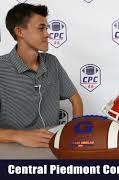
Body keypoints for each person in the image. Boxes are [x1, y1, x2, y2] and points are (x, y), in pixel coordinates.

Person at [0, 3, 83, 147]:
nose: (47, 34)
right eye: (41, 29)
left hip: (53, 146)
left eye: (46, 28)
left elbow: (75, 99)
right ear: (20, 31)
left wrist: (77, 132)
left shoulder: (52, 62)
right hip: (13, 149)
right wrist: (18, 136)